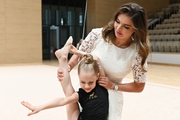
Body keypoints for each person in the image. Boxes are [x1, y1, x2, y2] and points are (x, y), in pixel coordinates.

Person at [57, 2, 151, 120]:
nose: (118, 28)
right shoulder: (97, 35)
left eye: (126, 27)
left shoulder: (138, 52)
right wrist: (68, 67)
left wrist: (114, 86)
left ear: (136, 30)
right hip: (87, 90)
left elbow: (139, 86)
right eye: (117, 21)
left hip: (111, 96)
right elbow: (79, 55)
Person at [21, 37, 109, 120]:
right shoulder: (81, 94)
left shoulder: (101, 85)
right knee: (68, 93)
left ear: (97, 76)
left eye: (90, 82)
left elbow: (96, 59)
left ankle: (62, 58)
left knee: (68, 91)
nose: (86, 86)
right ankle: (62, 58)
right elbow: (62, 101)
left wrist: (77, 52)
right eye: (82, 82)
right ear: (78, 77)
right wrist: (39, 107)